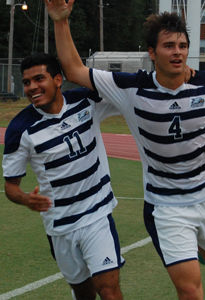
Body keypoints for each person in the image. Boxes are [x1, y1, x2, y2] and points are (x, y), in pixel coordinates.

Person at [45, 1, 205, 299]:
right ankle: (187, 250)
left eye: (182, 45)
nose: (177, 51)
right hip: (166, 207)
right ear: (152, 53)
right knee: (190, 290)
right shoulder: (131, 88)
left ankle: (202, 250)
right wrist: (61, 21)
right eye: (168, 46)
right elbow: (75, 70)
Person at [2, 52, 125, 300]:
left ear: (58, 79)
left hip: (97, 215)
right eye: (27, 83)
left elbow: (124, 94)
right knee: (84, 294)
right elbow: (10, 187)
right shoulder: (19, 129)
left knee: (109, 289)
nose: (32, 87)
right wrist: (26, 199)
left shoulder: (85, 101)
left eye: (39, 79)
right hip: (60, 227)